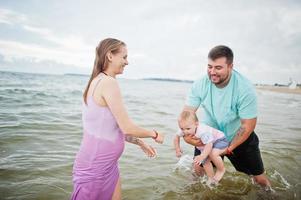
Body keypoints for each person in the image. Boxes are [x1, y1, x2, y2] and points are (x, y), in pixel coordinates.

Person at [70, 38, 164, 200]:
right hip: (95, 167)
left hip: (108, 166)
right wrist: (154, 134)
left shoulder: (98, 80)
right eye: (124, 57)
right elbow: (127, 127)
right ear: (110, 56)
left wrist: (140, 143)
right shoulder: (108, 83)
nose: (127, 62)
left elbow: (111, 129)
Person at [182, 45, 271, 188]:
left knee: (259, 180)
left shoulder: (245, 89)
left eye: (218, 68)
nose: (212, 72)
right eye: (209, 66)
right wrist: (189, 138)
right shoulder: (200, 83)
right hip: (210, 136)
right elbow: (187, 114)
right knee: (198, 172)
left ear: (230, 66)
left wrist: (229, 148)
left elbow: (247, 126)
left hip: (240, 138)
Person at [174, 110, 229, 184]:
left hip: (219, 140)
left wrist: (202, 155)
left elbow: (209, 144)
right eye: (182, 128)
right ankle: (211, 178)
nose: (185, 132)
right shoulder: (184, 128)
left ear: (196, 124)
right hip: (208, 144)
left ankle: (221, 170)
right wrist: (177, 149)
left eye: (188, 129)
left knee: (212, 154)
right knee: (205, 161)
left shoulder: (202, 132)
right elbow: (176, 137)